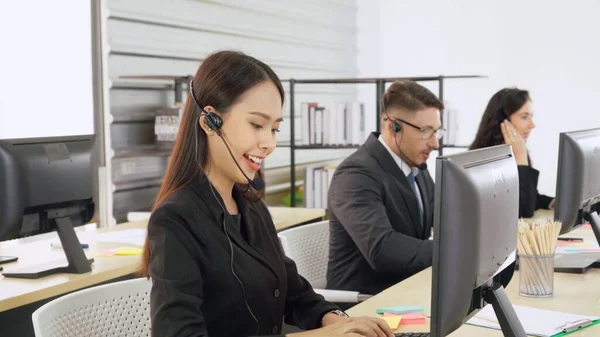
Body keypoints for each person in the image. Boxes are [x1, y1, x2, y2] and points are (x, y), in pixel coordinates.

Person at [140, 50, 394, 337]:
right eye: (257, 125)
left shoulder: (250, 204)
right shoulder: (175, 219)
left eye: (274, 129)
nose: (269, 143)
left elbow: (293, 292)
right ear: (210, 122)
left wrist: (336, 320)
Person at [327, 80, 444, 296]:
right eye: (426, 131)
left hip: (408, 289)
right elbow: (382, 249)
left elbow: (445, 218)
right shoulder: (356, 174)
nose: (435, 143)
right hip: (367, 303)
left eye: (437, 131)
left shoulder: (417, 166)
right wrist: (454, 249)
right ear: (393, 127)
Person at [469, 88, 554, 218]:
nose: (532, 125)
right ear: (503, 121)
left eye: (531, 117)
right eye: (524, 117)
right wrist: (521, 157)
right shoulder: (486, 162)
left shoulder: (514, 150)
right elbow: (523, 210)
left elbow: (529, 196)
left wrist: (553, 202)